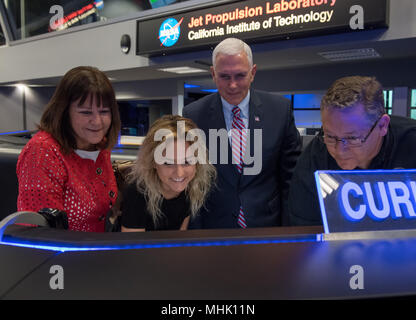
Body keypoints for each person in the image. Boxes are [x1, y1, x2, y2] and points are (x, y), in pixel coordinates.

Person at [182, 37, 301, 228]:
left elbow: (290, 177)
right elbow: (190, 180)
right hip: (214, 226)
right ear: (213, 74)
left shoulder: (280, 110)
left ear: (253, 72)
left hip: (267, 225)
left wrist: (289, 229)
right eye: (224, 76)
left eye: (240, 75)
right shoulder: (193, 115)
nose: (233, 85)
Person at [288, 76, 416, 226]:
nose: (339, 151)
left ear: (382, 126)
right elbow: (304, 226)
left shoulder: (411, 142)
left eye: (352, 138)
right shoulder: (315, 156)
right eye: (330, 136)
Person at [16, 66, 121, 232]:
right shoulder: (42, 151)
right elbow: (39, 230)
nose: (97, 121)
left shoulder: (100, 146)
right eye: (86, 113)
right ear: (64, 112)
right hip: (60, 254)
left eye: (104, 111)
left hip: (95, 248)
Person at [121, 115, 216, 232]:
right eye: (168, 163)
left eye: (187, 162)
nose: (180, 174)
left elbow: (179, 237)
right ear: (153, 162)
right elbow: (133, 248)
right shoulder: (137, 193)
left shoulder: (193, 185)